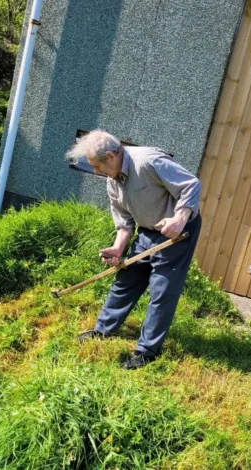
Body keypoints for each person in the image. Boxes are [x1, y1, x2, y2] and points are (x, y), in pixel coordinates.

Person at [67, 130, 201, 369]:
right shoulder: (113, 179)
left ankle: (147, 351)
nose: (96, 172)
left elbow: (190, 185)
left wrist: (180, 218)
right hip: (148, 231)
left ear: (110, 156)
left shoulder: (149, 161)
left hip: (177, 233)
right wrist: (118, 248)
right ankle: (103, 330)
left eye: (97, 166)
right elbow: (124, 220)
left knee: (163, 290)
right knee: (127, 278)